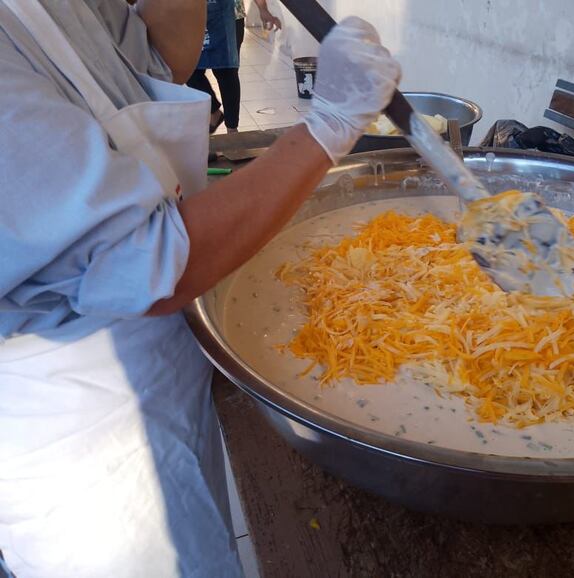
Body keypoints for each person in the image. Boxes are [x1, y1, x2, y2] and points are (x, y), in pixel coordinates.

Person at [0, 1, 400, 576]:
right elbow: (146, 263)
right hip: (76, 437)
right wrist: (329, 125)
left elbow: (163, 63)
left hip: (164, 365)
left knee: (210, 546)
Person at [187, 0, 240, 133]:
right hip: (192, 15)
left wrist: (263, 9)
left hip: (224, 16)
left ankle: (232, 128)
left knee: (226, 72)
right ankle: (214, 111)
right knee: (189, 72)